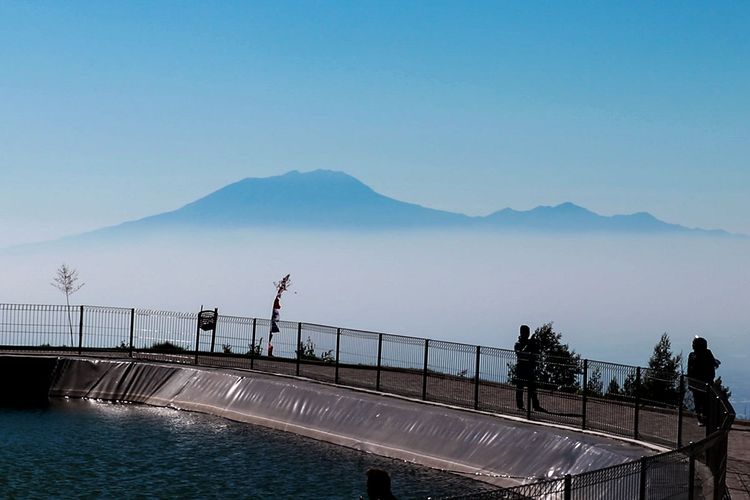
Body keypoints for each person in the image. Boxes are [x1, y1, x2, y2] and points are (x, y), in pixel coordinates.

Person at [687, 335, 720, 426]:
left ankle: (707, 419)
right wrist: (690, 382)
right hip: (696, 383)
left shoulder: (706, 354)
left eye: (694, 344)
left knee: (706, 402)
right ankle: (701, 419)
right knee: (697, 402)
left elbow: (712, 364)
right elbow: (689, 370)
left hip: (705, 383)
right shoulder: (692, 355)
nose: (692, 345)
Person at [514, 324, 543, 411]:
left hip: (529, 368)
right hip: (521, 368)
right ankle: (520, 405)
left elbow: (536, 353)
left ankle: (535, 405)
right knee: (520, 387)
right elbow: (521, 354)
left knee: (533, 388)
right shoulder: (518, 344)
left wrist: (534, 343)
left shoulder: (530, 343)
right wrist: (529, 345)